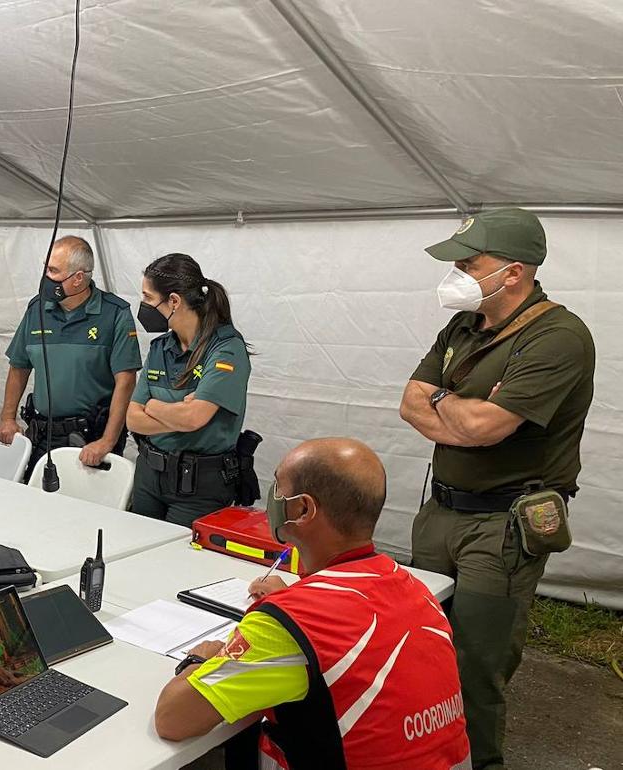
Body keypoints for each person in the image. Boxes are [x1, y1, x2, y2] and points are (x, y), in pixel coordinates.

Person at [399, 207, 595, 770]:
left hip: (502, 527)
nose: (456, 273)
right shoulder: (465, 324)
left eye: (468, 262)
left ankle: (478, 761)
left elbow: (490, 429)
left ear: (513, 272)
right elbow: (411, 401)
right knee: (426, 646)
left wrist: (447, 404)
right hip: (441, 513)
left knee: (476, 665)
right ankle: (427, 754)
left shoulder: (559, 336)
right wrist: (454, 406)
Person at [154, 438, 471, 770]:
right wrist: (294, 597)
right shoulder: (414, 589)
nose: (272, 497)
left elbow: (173, 719)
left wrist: (200, 659)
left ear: (302, 509)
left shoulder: (286, 625)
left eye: (278, 486)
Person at [0, 236, 140, 479]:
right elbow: (19, 366)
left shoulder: (115, 314)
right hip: (43, 434)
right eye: (46, 268)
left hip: (90, 437)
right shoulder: (37, 310)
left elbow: (125, 382)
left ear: (78, 278)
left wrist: (107, 440)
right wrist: (7, 418)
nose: (46, 277)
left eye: (53, 271)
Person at [126, 254, 253, 526]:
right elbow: (132, 419)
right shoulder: (162, 347)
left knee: (177, 562)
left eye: (148, 298)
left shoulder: (226, 348)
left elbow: (194, 418)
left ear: (174, 301)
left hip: (197, 487)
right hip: (149, 476)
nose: (144, 306)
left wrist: (154, 407)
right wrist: (180, 413)